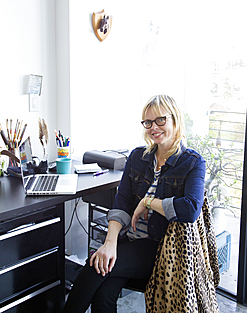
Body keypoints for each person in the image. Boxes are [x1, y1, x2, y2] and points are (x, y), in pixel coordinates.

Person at [62, 94, 207, 313]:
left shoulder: (192, 162)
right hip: (128, 241)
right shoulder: (138, 156)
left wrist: (149, 202)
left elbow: (190, 210)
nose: (153, 127)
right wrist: (110, 243)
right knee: (103, 293)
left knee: (94, 267)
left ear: (175, 120)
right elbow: (120, 203)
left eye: (160, 120)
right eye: (148, 122)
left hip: (160, 250)